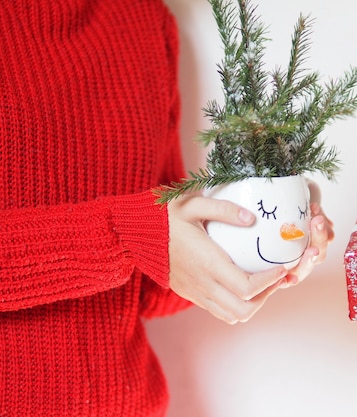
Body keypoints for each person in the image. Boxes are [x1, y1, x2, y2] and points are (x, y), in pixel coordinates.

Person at [0, 1, 333, 416]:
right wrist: (125, 234)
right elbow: (136, 235)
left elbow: (145, 283)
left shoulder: (143, 19)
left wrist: (252, 247)